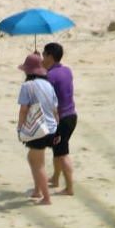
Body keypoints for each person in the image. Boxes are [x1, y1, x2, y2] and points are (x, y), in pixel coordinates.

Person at [16, 53, 59, 206]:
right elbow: (55, 109)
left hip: (38, 129)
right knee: (33, 158)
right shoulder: (48, 85)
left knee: (38, 164)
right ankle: (37, 190)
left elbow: (23, 110)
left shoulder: (27, 86)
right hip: (51, 128)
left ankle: (46, 197)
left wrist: (20, 129)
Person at [42, 42, 77, 195]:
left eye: (44, 55)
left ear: (50, 56)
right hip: (72, 116)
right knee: (57, 149)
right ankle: (55, 178)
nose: (42, 57)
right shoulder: (67, 70)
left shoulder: (50, 76)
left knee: (62, 153)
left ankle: (69, 188)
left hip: (61, 119)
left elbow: (45, 95)